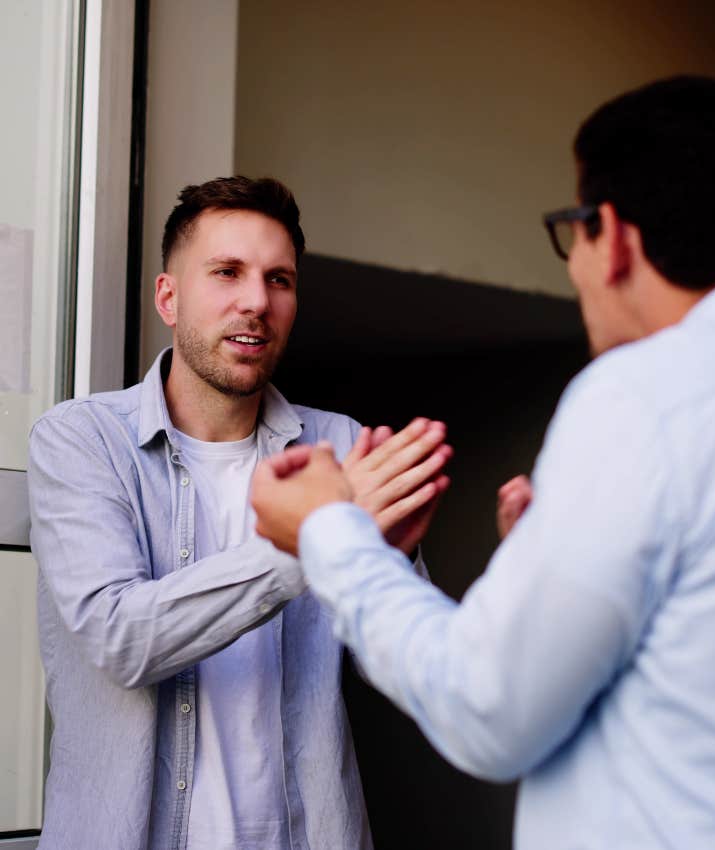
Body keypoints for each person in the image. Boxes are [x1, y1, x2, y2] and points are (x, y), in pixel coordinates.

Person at [250, 76, 715, 849]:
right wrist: (563, 553)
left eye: (574, 235)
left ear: (614, 237)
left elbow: (487, 710)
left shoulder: (642, 399)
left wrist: (331, 535)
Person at [28, 176, 451, 850]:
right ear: (169, 297)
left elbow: (419, 676)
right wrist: (317, 539)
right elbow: (120, 638)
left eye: (279, 281)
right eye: (227, 272)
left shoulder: (338, 445)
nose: (257, 301)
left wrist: (391, 563)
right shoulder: (81, 440)